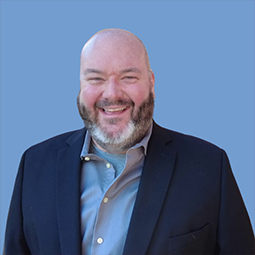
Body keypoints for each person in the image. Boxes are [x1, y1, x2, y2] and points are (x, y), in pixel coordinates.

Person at [4, 28, 255, 255]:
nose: (112, 93)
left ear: (152, 83)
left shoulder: (210, 167)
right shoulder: (34, 164)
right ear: (80, 86)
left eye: (128, 77)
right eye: (96, 78)